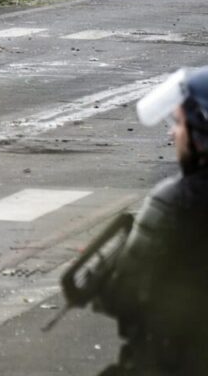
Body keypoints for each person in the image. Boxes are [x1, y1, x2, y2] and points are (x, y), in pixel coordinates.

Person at [92, 67, 208, 374]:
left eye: (180, 124)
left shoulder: (176, 202)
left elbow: (124, 293)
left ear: (201, 134)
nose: (173, 133)